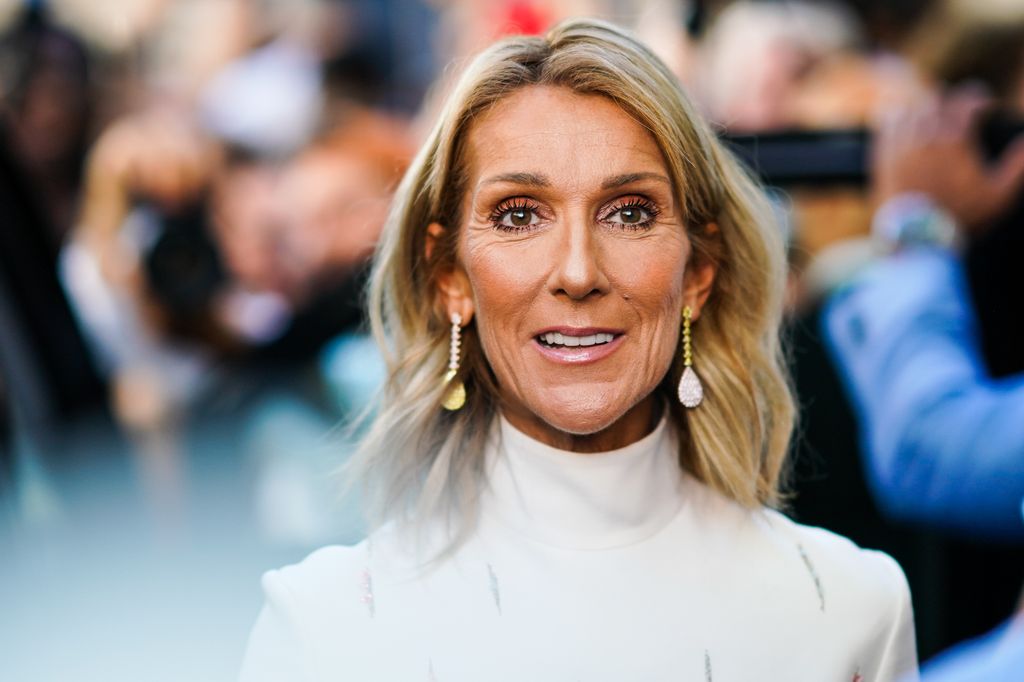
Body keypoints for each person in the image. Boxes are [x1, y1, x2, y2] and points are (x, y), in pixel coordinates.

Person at [240, 18, 918, 681]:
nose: (577, 271)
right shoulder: (323, 627)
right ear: (450, 277)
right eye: (519, 215)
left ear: (698, 273)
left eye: (629, 212)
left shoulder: (850, 607)